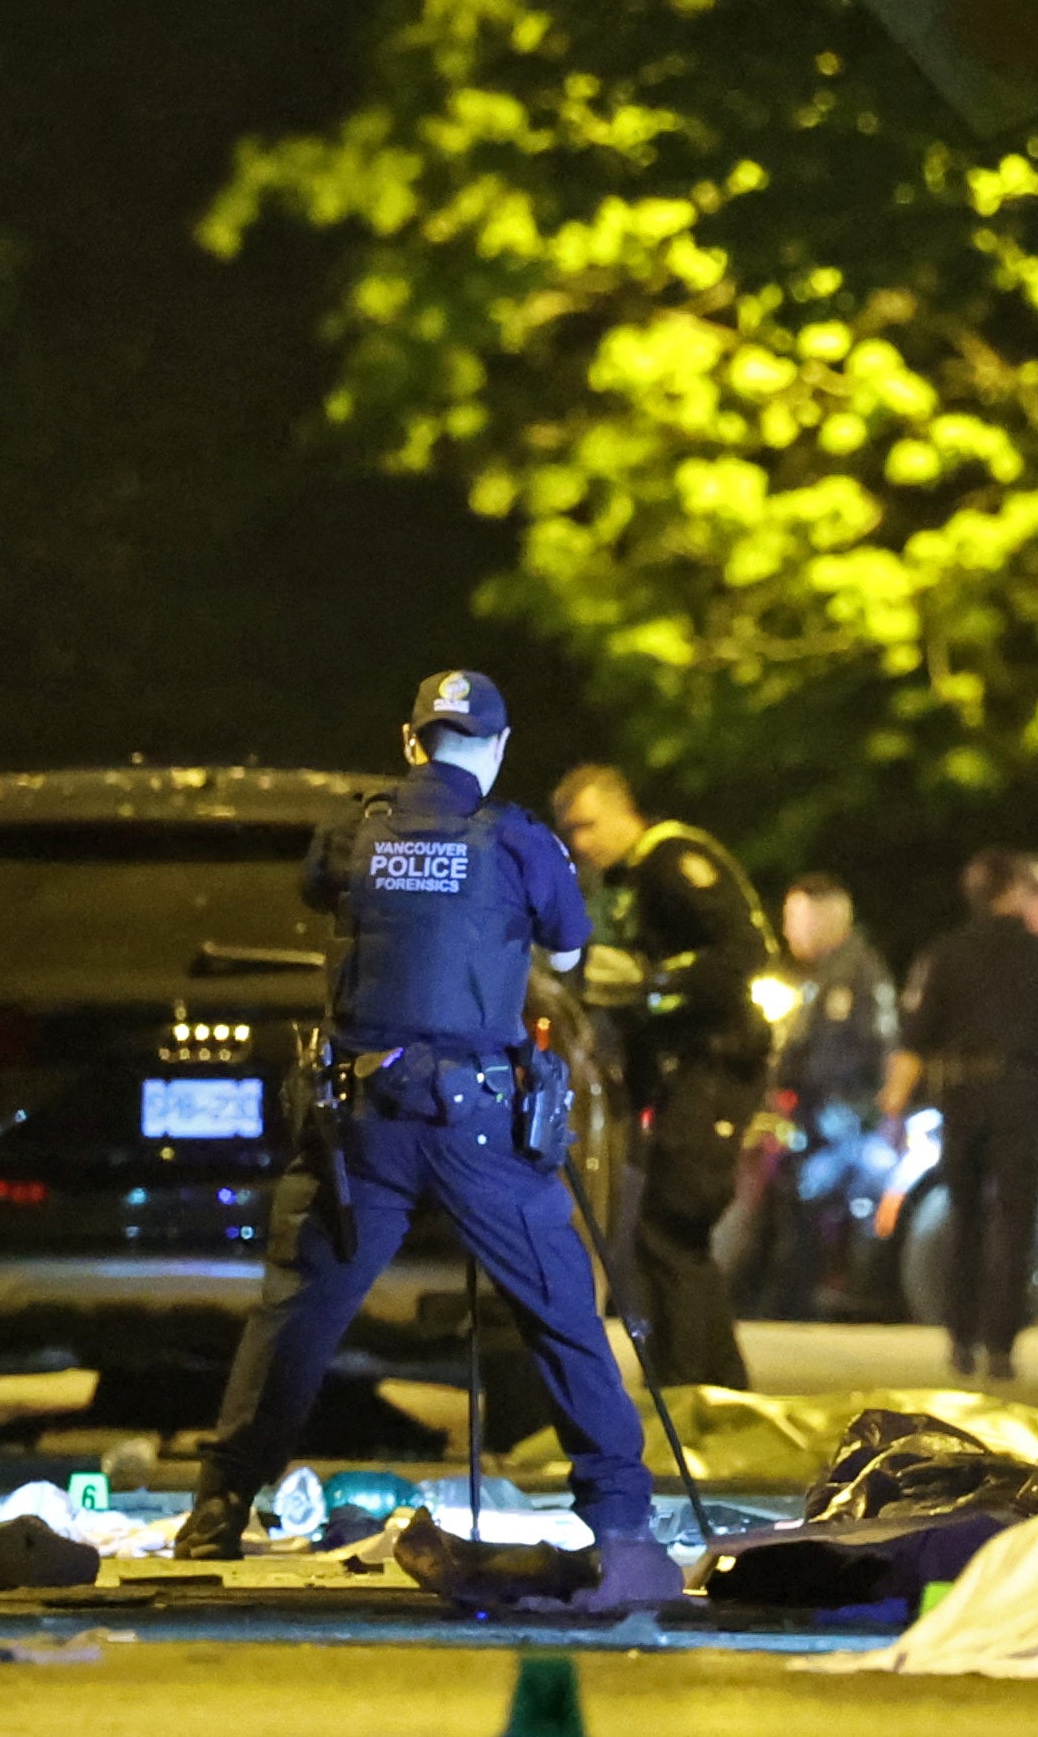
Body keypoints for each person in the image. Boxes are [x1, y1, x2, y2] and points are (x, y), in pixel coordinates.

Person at [174, 670, 680, 1605]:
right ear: (496, 746)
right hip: (478, 1120)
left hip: (357, 1123)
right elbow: (567, 954)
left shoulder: (351, 829)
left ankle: (217, 1506)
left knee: (296, 1313)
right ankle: (620, 1519)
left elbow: (326, 893)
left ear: (410, 743)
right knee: (562, 1311)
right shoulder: (519, 838)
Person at [551, 763, 775, 1389]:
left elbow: (742, 954)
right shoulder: (621, 882)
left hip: (715, 1063)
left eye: (589, 826)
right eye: (571, 832)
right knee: (668, 1235)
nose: (581, 843)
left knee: (671, 1227)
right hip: (682, 1076)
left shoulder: (671, 860)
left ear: (624, 811)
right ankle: (708, 1386)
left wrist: (656, 983)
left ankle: (695, 1388)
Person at [883, 850, 1038, 1380]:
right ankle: (1001, 1346)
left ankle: (960, 1339)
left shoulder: (946, 953)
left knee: (965, 1217)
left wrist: (893, 1105)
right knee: (1016, 1220)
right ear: (1013, 894)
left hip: (960, 1095)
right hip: (1022, 1096)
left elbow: (915, 1038)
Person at [757, 874, 897, 1316]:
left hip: (843, 1125)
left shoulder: (858, 976)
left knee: (810, 1210)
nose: (788, 931)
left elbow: (877, 1056)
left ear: (824, 918)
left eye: (794, 918)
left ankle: (805, 1304)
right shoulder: (818, 976)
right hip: (816, 1119)